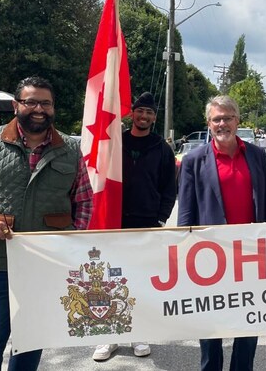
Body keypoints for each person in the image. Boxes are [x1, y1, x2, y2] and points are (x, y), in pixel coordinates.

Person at [0, 76, 93, 371]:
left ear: (53, 108)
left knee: (30, 340)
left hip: (45, 265)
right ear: (16, 105)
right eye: (31, 102)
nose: (39, 108)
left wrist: (70, 245)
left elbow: (84, 202)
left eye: (46, 103)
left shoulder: (72, 150)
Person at [178, 95, 266, 371]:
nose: (222, 123)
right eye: (216, 119)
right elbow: (186, 213)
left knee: (249, 323)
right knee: (210, 326)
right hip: (210, 257)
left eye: (227, 117)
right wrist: (185, 252)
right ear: (209, 124)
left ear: (237, 120)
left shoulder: (257, 155)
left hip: (251, 255)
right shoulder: (193, 160)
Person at [92, 92, 176, 361]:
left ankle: (138, 332)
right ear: (132, 113)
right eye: (140, 111)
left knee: (138, 280)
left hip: (146, 223)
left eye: (149, 113)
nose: (144, 117)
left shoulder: (162, 148)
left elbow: (169, 188)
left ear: (154, 117)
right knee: (107, 280)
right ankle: (107, 336)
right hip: (113, 221)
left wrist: (160, 218)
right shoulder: (115, 143)